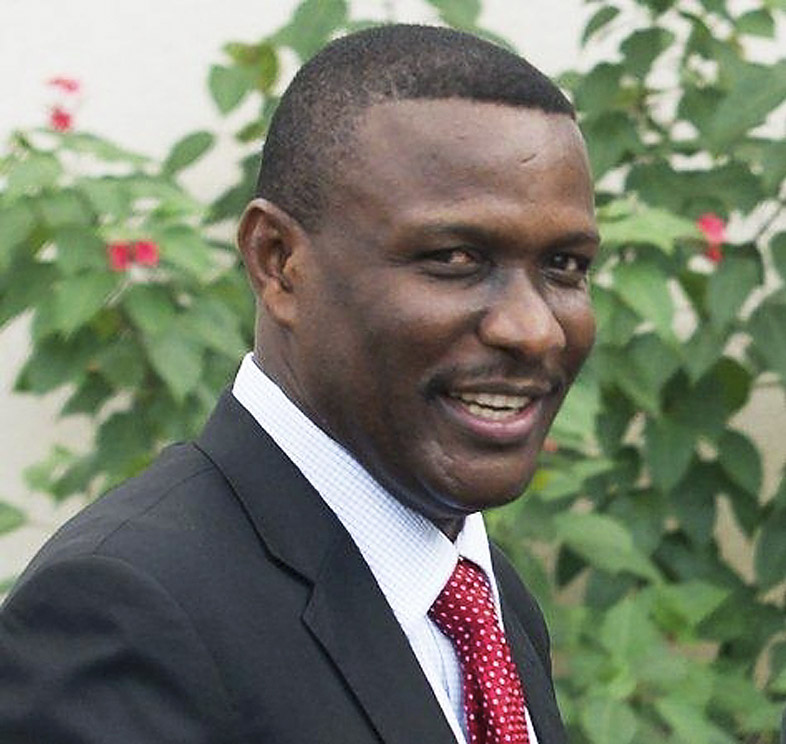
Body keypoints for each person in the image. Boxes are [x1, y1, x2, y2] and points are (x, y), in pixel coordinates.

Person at [0, 24, 598, 744]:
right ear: (278, 262)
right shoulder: (125, 614)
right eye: (455, 258)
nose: (533, 330)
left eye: (564, 266)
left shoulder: (474, 593)